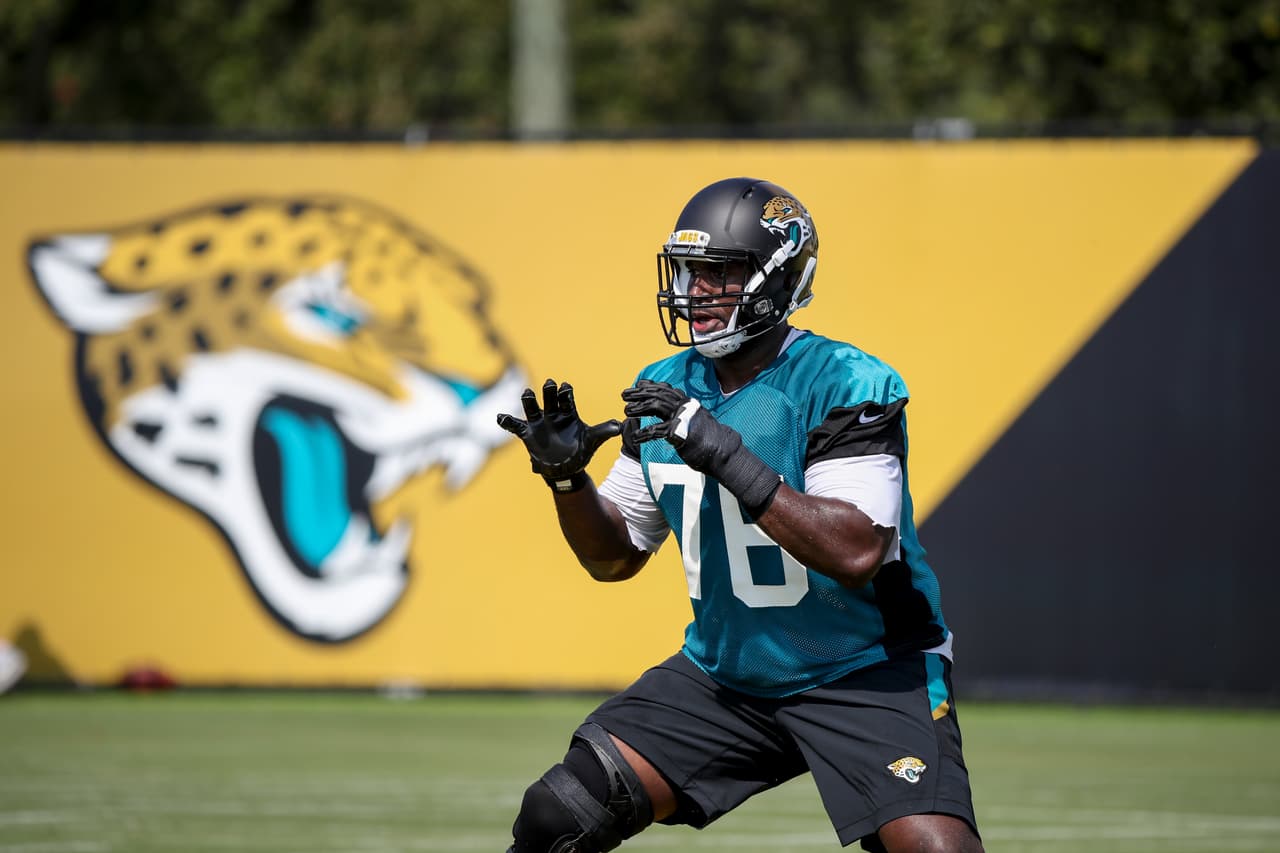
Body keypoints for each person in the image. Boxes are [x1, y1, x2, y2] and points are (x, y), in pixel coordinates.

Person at [496, 177, 982, 853]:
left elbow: (856, 551)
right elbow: (615, 556)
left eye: (720, 273)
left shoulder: (845, 382)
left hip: (866, 666)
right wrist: (567, 479)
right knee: (559, 812)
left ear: (780, 279)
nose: (695, 291)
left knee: (936, 850)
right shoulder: (664, 387)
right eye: (691, 272)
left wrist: (721, 449)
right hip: (730, 675)